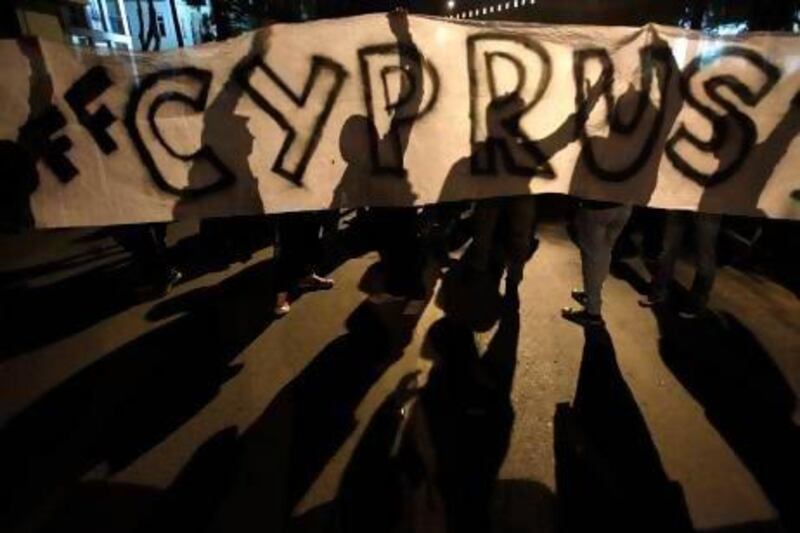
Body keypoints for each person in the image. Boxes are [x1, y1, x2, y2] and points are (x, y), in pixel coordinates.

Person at [639, 210, 722, 318]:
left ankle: (697, 302)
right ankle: (659, 290)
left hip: (710, 204)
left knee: (705, 255)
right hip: (681, 199)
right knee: (668, 248)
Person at [562, 200, 632, 327]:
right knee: (605, 250)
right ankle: (591, 293)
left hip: (597, 204)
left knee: (592, 255)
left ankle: (593, 312)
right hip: (625, 204)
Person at [273, 211, 334, 316]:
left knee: (309, 241)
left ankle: (306, 276)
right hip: (290, 207)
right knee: (289, 245)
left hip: (309, 207)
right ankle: (281, 300)